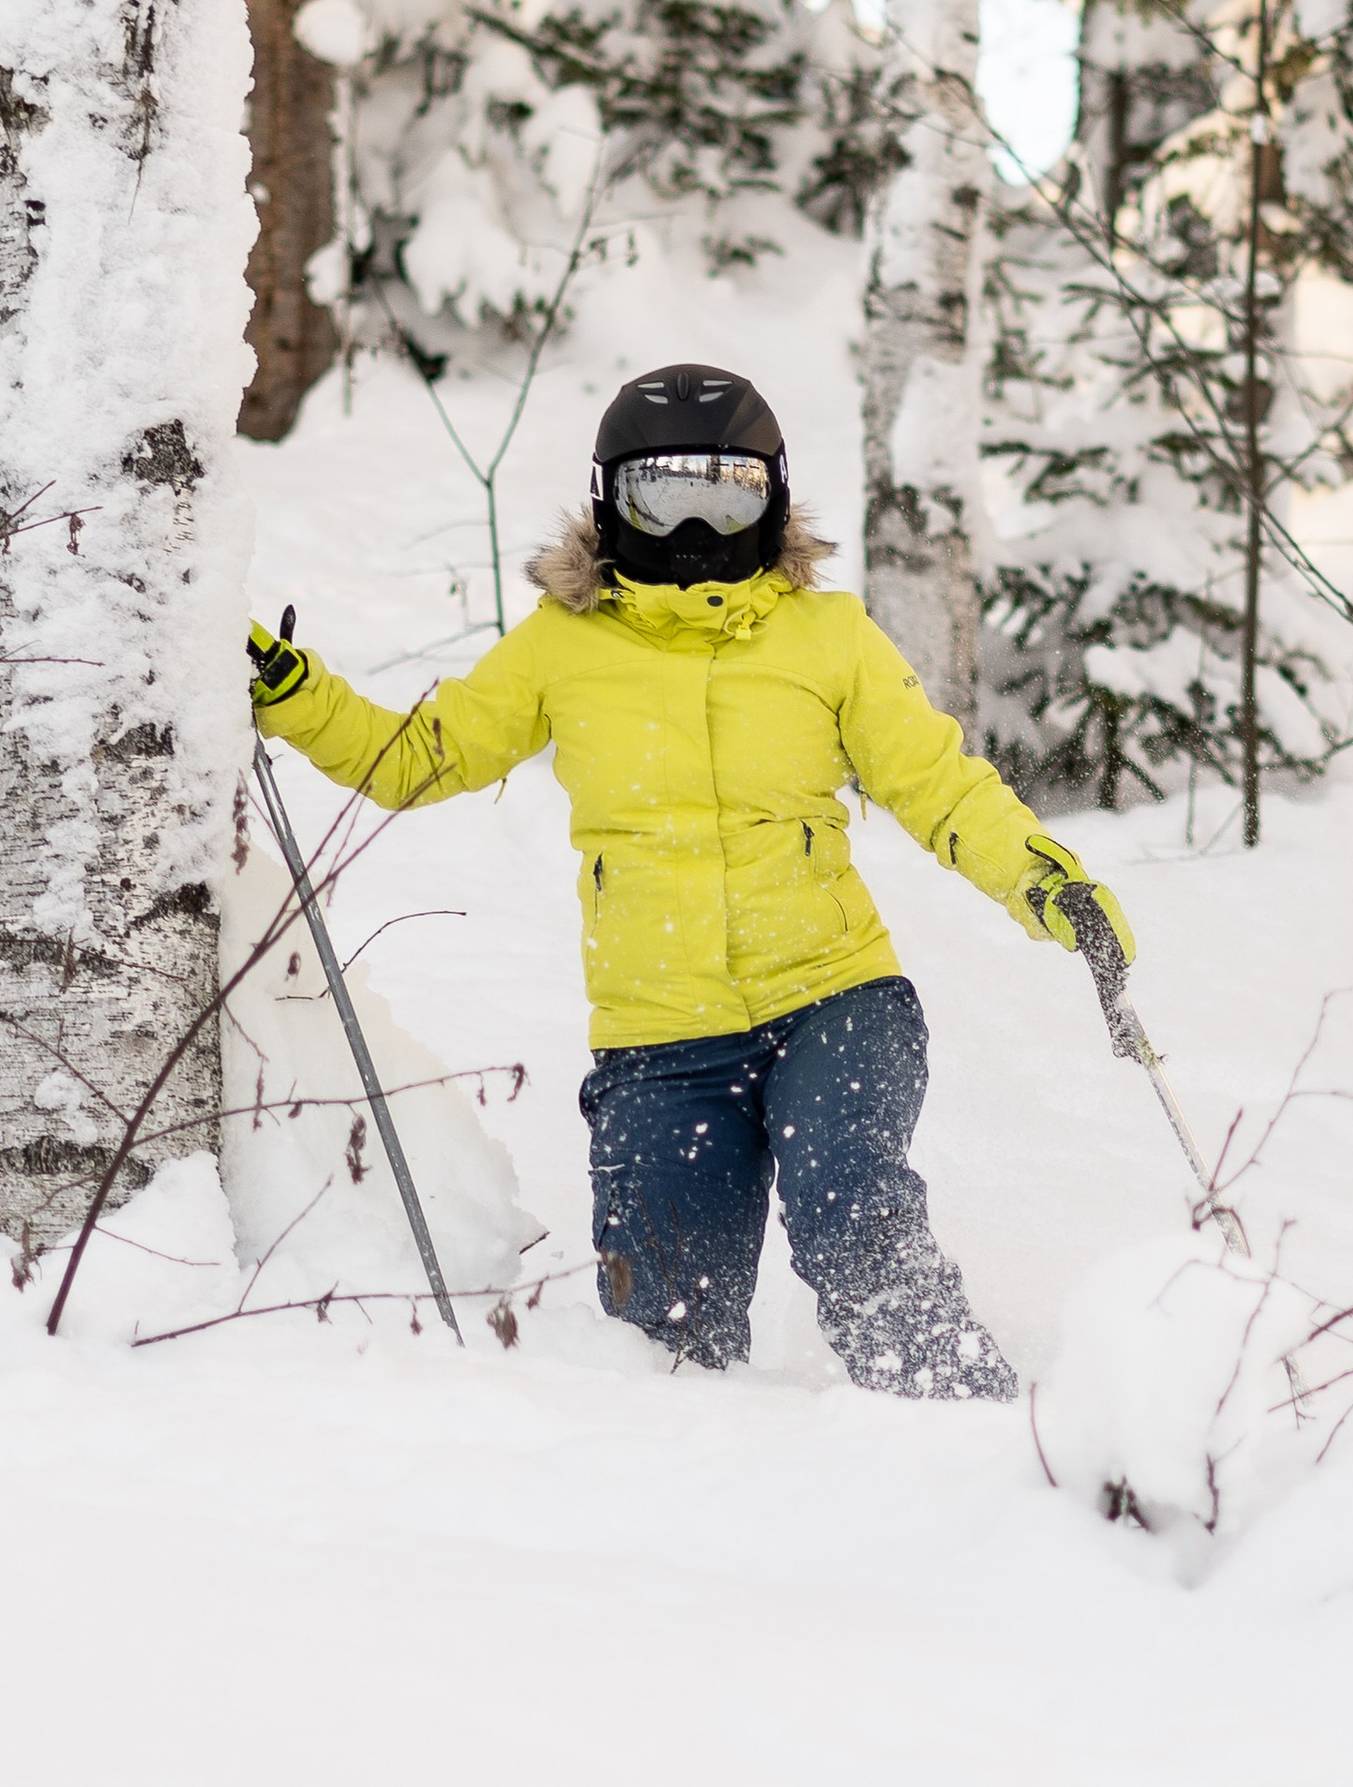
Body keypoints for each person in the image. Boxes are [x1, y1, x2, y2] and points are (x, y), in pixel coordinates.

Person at [246, 361, 1137, 1401]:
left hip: (835, 1000)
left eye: (725, 492)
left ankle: (969, 1419)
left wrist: (1048, 884)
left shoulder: (826, 634)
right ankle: (693, 1519)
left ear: (771, 495)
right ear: (608, 501)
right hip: (661, 1042)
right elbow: (411, 758)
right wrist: (291, 693)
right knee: (662, 1341)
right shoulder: (562, 647)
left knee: (853, 1212)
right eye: (658, 496)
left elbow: (939, 786)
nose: (691, 529)